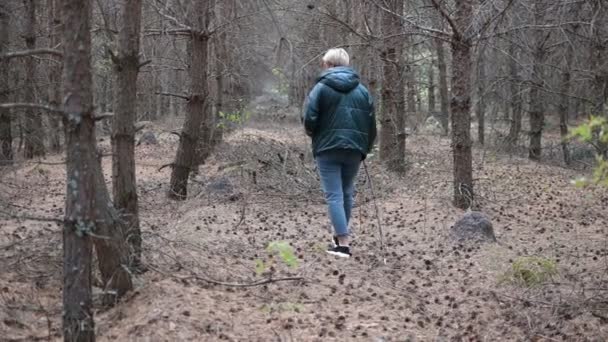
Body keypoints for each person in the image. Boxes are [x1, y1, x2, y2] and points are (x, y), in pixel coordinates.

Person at [302, 48, 376, 258]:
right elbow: (371, 124)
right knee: (346, 193)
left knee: (334, 195)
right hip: (355, 149)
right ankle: (339, 237)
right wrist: (365, 148)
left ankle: (343, 244)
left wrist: (312, 133)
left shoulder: (321, 88)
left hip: (327, 148)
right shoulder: (362, 90)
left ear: (328, 64)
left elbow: (310, 118)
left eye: (324, 63)